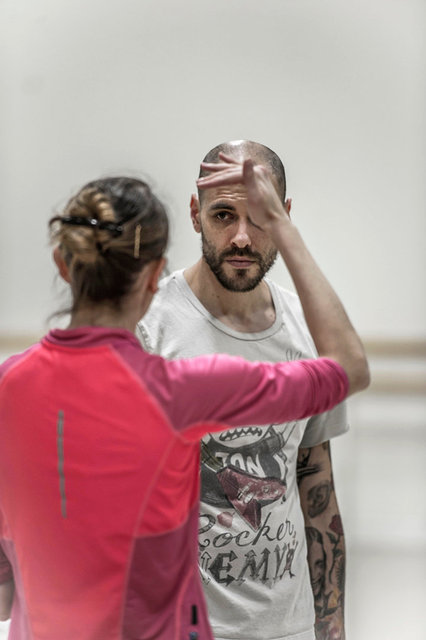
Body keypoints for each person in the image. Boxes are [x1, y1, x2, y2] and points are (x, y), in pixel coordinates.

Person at [0, 168, 368, 640]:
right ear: (155, 277)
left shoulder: (10, 387)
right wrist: (279, 225)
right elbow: (349, 367)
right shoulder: (184, 389)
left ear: (63, 264)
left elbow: (5, 594)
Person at [138, 141, 362, 640]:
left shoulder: (311, 328)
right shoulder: (149, 328)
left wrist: (331, 628)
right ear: (195, 215)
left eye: (259, 217)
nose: (241, 237)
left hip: (288, 626)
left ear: (285, 217)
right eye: (223, 215)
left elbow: (315, 487)